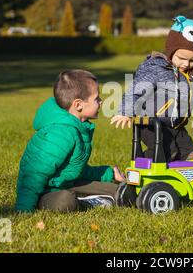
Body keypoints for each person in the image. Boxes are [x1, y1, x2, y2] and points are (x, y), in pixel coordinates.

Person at [111, 15, 193, 162]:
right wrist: (125, 112)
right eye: (181, 58)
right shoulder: (157, 68)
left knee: (189, 154)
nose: (186, 64)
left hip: (176, 125)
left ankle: (180, 181)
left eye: (192, 60)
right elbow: (136, 90)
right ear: (171, 51)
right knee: (166, 152)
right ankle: (138, 170)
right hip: (151, 124)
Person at [15, 70, 125, 213]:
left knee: (119, 192)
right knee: (65, 201)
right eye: (96, 99)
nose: (101, 102)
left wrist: (108, 173)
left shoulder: (78, 127)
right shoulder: (60, 133)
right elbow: (35, 174)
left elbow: (74, 170)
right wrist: (23, 210)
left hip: (69, 184)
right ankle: (87, 202)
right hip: (47, 192)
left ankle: (93, 199)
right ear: (78, 105)